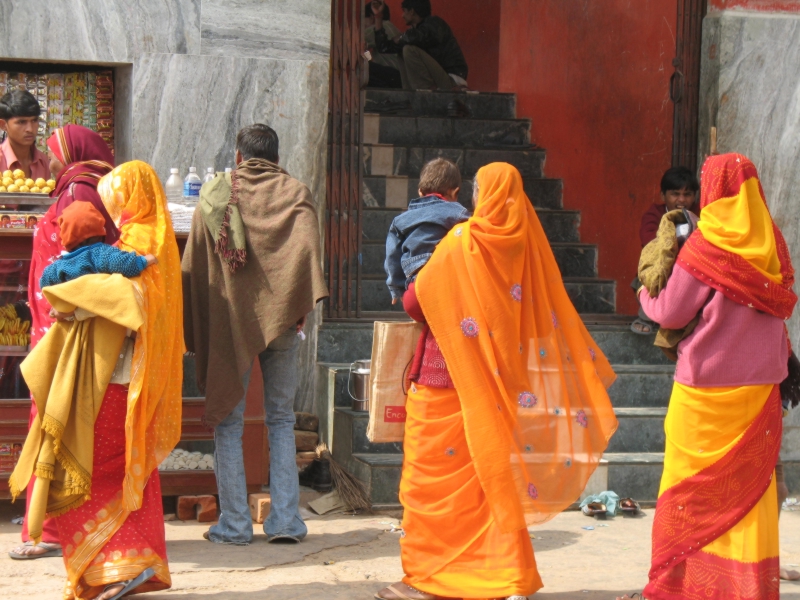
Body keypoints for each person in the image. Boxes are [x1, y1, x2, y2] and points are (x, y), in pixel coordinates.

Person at [375, 162, 618, 600]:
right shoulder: (526, 248)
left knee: (431, 487)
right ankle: (508, 578)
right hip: (500, 381)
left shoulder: (461, 243)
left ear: (480, 196)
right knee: (491, 483)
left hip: (445, 378)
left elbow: (414, 303)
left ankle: (433, 578)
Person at [617, 153, 796, 600]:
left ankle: (688, 586)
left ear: (711, 190)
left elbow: (671, 310)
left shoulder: (706, 245)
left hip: (704, 390)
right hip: (761, 390)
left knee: (689, 491)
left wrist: (646, 291)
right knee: (750, 493)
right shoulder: (773, 246)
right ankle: (745, 587)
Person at [9, 160, 183, 600]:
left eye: (117, 198)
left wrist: (72, 305)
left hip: (116, 377)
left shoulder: (138, 242)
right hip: (127, 375)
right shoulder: (147, 241)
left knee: (92, 469)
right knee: (124, 473)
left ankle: (113, 570)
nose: (113, 208)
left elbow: (120, 306)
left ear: (133, 198)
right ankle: (122, 567)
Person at [182, 124, 328, 545]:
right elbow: (306, 254)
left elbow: (194, 266)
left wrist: (206, 322)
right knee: (281, 419)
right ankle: (285, 522)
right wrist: (298, 307)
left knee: (229, 422)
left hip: (231, 324)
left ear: (239, 157)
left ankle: (234, 525)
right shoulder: (296, 193)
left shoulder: (214, 193)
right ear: (277, 159)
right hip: (283, 321)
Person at [8, 124, 117, 561]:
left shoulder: (77, 195)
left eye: (54, 151)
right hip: (66, 331)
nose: (48, 159)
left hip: (62, 334)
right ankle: (60, 522)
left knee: (52, 425)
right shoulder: (84, 190)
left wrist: (59, 317)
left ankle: (49, 530)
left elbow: (78, 269)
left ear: (73, 153)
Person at [385, 157, 468, 303]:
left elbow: (392, 255)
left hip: (415, 288)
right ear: (455, 192)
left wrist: (395, 288)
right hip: (446, 285)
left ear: (420, 192)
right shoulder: (458, 213)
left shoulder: (401, 219)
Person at [631, 166, 699, 335]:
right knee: (655, 268)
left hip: (691, 269)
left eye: (687, 194)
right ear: (663, 196)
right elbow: (650, 242)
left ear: (695, 196)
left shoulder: (700, 214)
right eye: (675, 194)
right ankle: (647, 316)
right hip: (663, 266)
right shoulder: (655, 214)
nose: (681, 200)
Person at [40, 202, 156, 288]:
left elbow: (43, 282)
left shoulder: (59, 266)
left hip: (71, 318)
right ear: (100, 230)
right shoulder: (100, 254)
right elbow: (124, 265)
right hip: (97, 317)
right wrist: (145, 260)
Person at [374, 0, 468, 91]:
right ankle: (409, 95)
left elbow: (420, 36)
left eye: (404, 11)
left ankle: (425, 94)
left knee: (408, 50)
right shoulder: (413, 33)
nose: (402, 15)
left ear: (412, 11)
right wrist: (378, 16)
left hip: (452, 81)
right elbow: (384, 47)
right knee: (402, 52)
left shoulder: (435, 23)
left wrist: (402, 37)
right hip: (438, 81)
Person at [0, 89, 50, 180]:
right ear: (3, 125)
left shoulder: (43, 161)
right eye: (21, 122)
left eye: (34, 120)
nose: (30, 129)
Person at [365, 1, 404, 89]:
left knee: (362, 67)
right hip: (401, 77)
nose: (363, 24)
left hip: (392, 75)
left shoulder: (373, 29)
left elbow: (354, 46)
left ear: (371, 17)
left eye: (363, 19)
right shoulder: (390, 26)